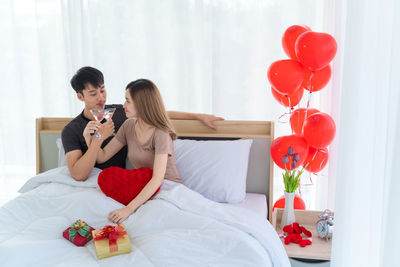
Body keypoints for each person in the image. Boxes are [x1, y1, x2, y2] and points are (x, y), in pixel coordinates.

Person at [62, 66, 223, 181]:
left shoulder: (122, 114)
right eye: (93, 94)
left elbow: (154, 111)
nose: (101, 98)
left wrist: (198, 116)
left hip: (128, 181)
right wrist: (95, 139)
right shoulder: (71, 130)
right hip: (97, 183)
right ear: (80, 97)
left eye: (102, 90)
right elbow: (78, 175)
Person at [88, 79, 180, 224]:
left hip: (165, 187)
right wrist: (92, 136)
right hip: (142, 186)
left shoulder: (161, 133)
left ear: (142, 103)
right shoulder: (129, 125)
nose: (124, 105)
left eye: (128, 101)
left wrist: (128, 209)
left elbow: (157, 178)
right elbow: (102, 156)